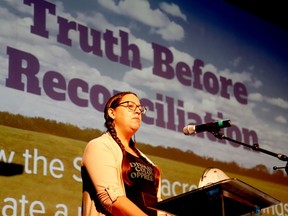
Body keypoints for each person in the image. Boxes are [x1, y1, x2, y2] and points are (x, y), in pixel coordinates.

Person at [81, 91, 166, 216]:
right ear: (112, 112)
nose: (137, 111)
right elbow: (111, 198)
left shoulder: (147, 161)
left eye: (140, 109)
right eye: (130, 106)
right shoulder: (100, 146)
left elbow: (156, 205)